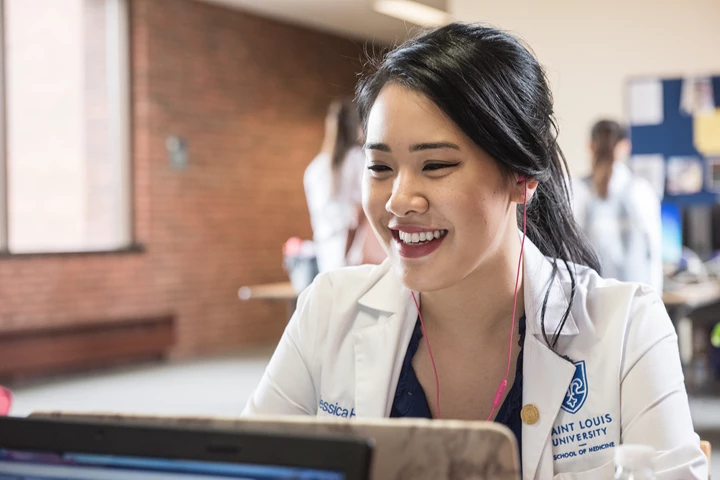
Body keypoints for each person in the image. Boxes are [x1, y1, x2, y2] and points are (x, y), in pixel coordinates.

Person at [245, 24, 707, 479]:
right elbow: (243, 466)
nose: (398, 200)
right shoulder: (328, 309)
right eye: (379, 167)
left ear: (521, 177)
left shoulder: (627, 328)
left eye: (436, 165)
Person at [572, 120, 663, 293]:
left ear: (590, 146)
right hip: (635, 303)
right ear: (625, 147)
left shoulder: (576, 190)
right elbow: (654, 254)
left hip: (590, 303)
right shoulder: (642, 191)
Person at [303, 98, 385, 273]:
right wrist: (347, 253)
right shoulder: (358, 159)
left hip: (325, 250)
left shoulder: (313, 169)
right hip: (352, 252)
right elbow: (358, 212)